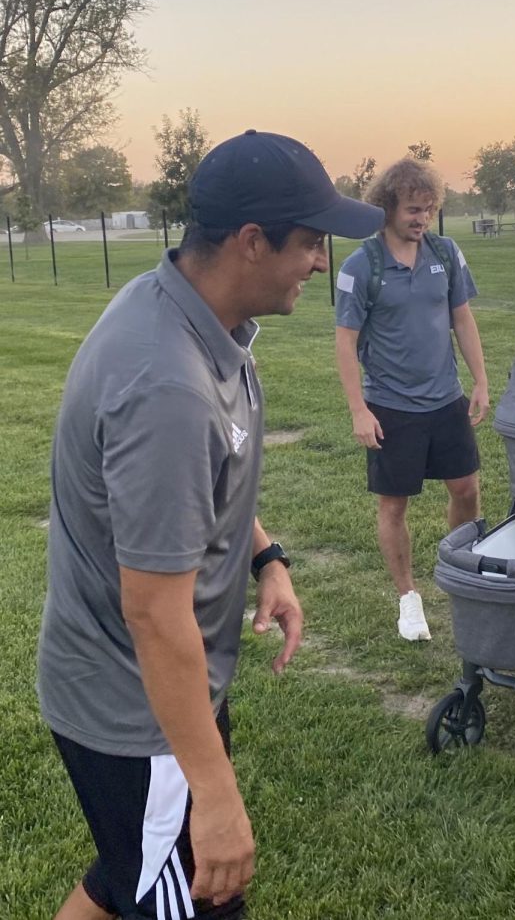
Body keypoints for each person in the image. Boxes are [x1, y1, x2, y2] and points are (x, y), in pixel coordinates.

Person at [37, 130, 383, 920]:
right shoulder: (167, 382)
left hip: (156, 696)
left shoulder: (192, 315)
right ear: (251, 242)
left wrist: (269, 556)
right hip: (137, 709)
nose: (321, 261)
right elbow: (155, 614)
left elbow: (194, 487)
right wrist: (216, 795)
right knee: (192, 891)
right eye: (310, 242)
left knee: (127, 871)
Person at [334, 158, 489, 641]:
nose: (421, 219)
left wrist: (480, 381)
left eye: (428, 209)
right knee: (393, 506)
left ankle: (458, 570)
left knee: (466, 489)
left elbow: (461, 319)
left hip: (445, 399)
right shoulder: (361, 266)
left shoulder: (445, 253)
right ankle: (408, 598)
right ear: (386, 208)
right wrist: (359, 409)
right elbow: (344, 342)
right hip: (391, 406)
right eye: (412, 210)